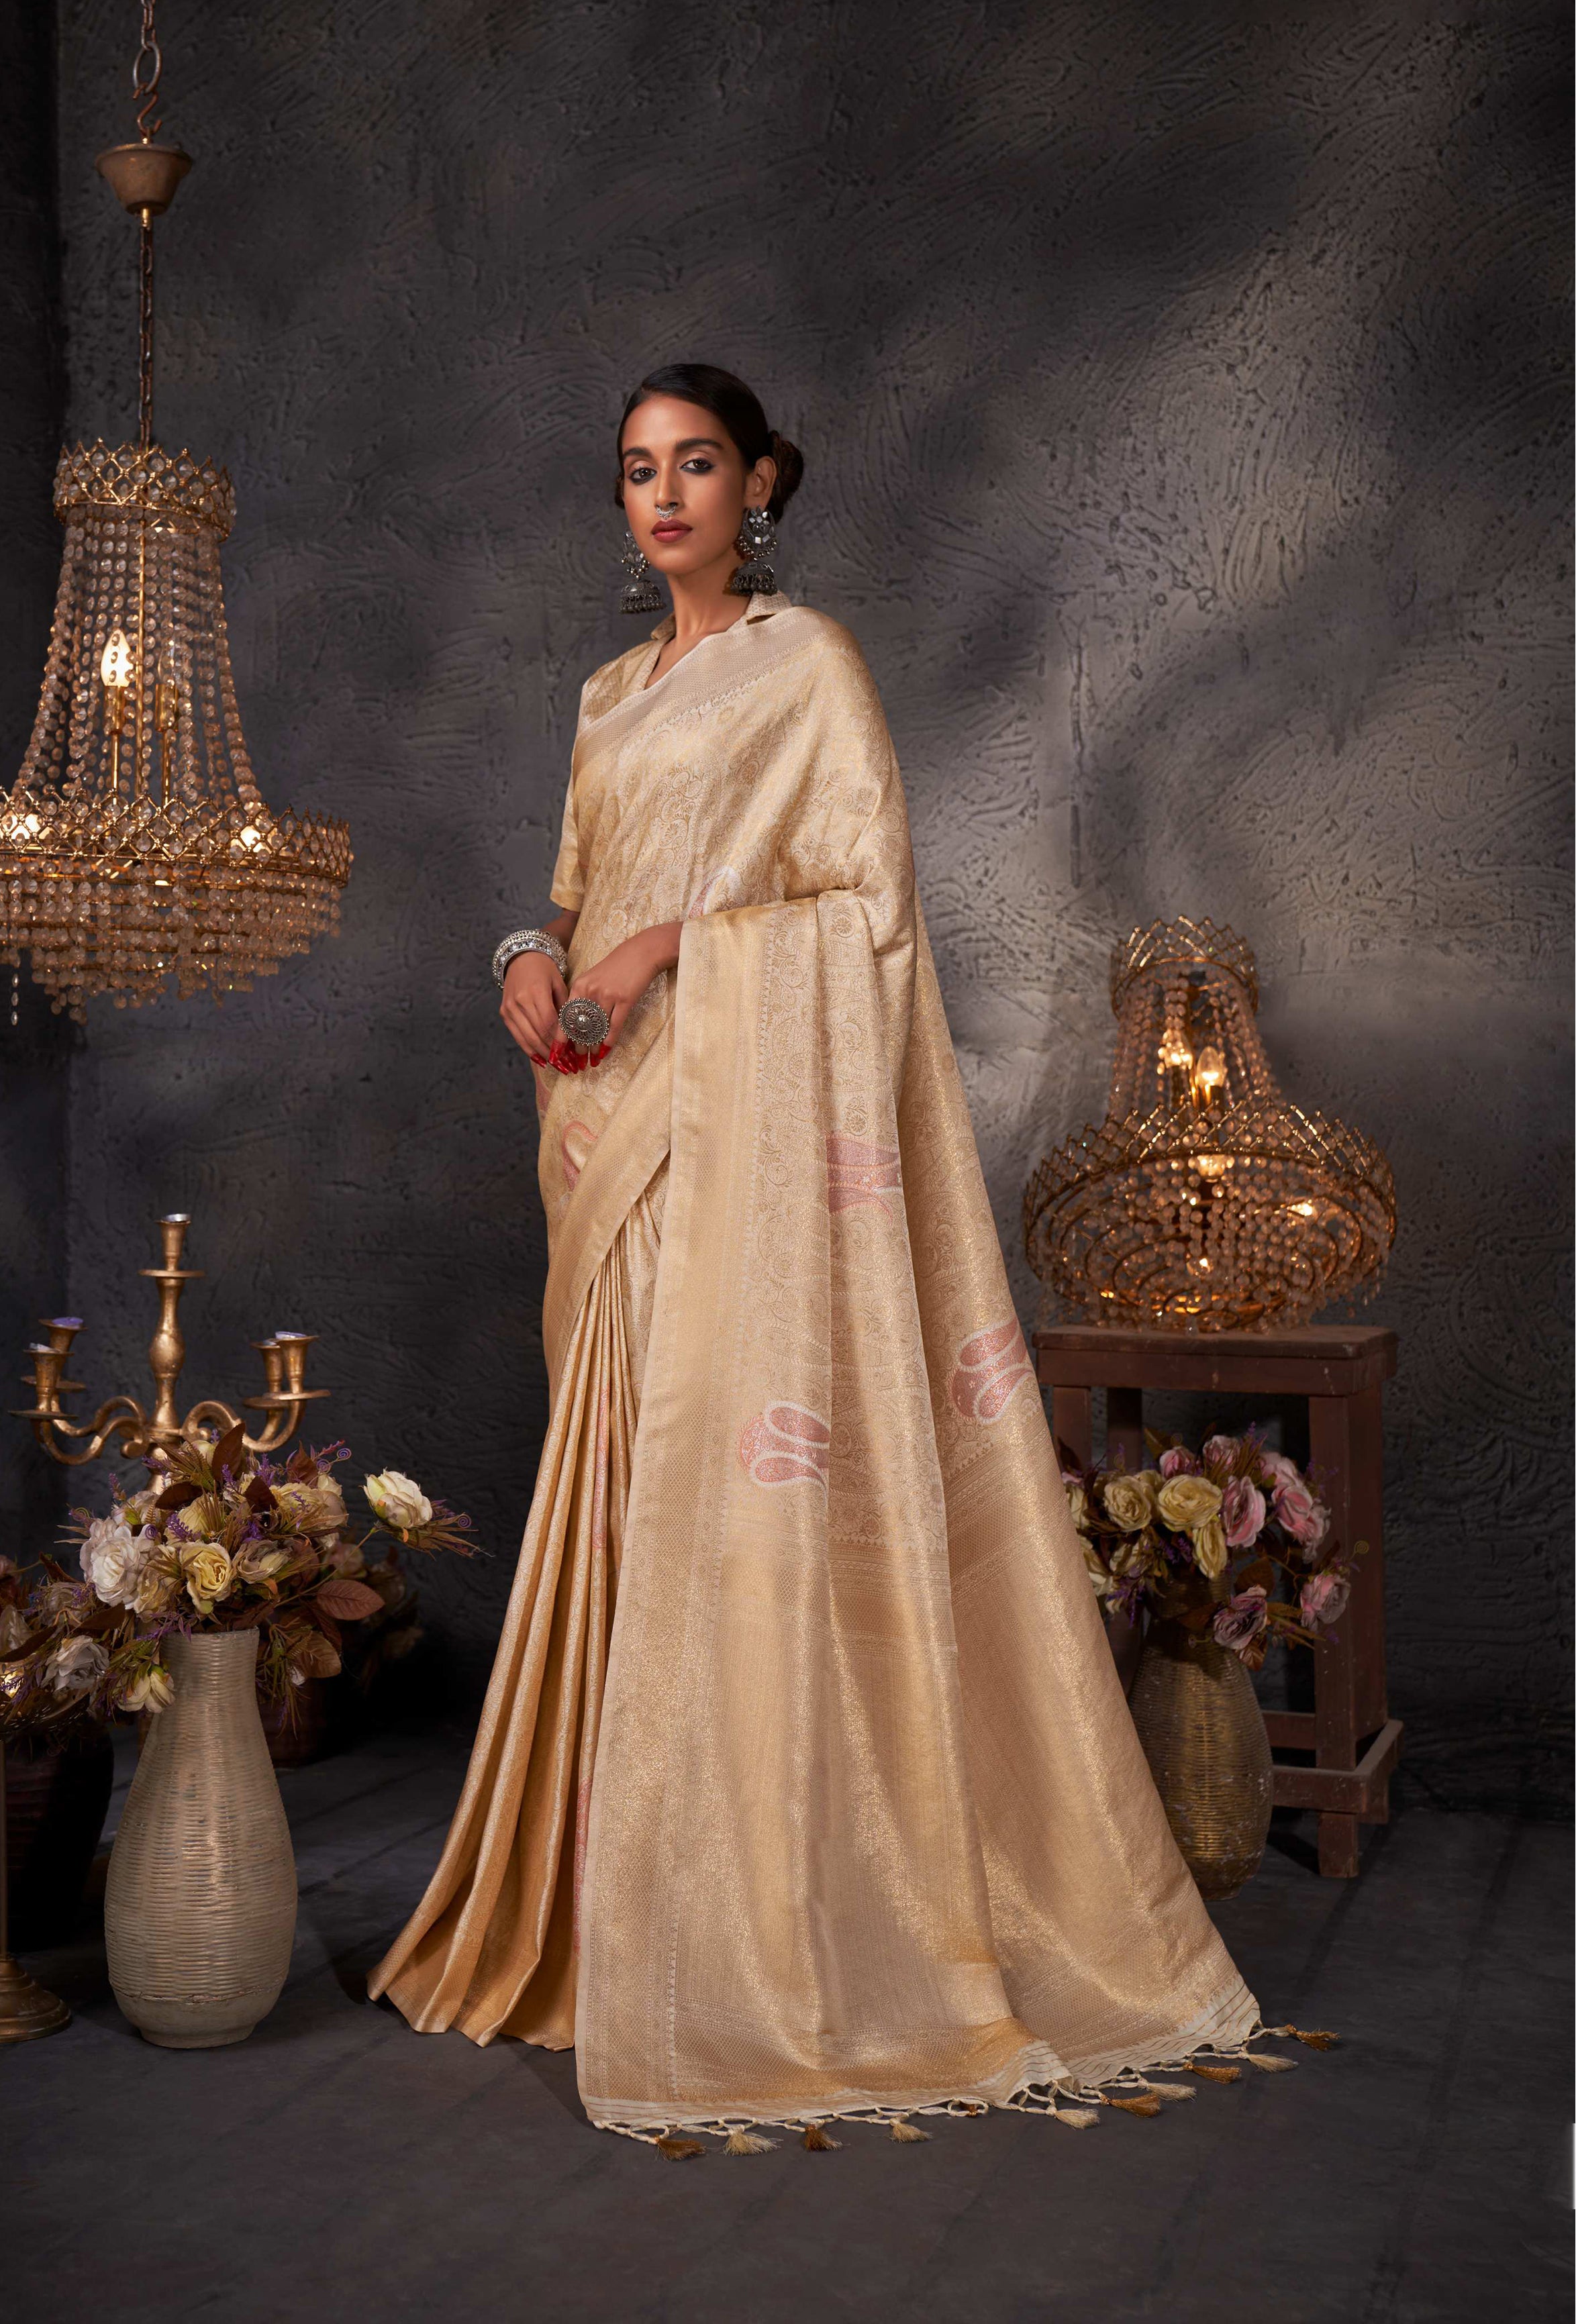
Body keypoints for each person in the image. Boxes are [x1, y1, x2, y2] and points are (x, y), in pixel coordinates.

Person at [369, 362, 1299, 2154]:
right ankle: (611, 1911)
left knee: (725, 1486)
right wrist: (527, 956)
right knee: (628, 1488)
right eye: (636, 468)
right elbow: (568, 893)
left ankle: (748, 1916)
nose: (663, 494)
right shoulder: (607, 692)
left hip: (732, 1130)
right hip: (602, 1128)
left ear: (762, 482)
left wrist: (667, 953)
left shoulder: (808, 667)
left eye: (696, 463)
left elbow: (865, 913)